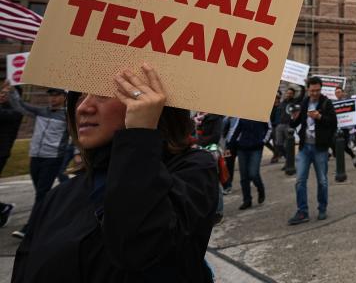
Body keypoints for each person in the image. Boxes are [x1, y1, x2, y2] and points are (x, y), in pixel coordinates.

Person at [12, 63, 219, 281]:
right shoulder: (60, 194)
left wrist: (140, 135)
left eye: (103, 95)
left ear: (153, 102)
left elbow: (140, 248)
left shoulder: (193, 169)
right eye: (79, 96)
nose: (83, 107)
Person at [7, 86, 68, 239]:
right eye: (51, 95)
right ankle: (53, 216)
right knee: (42, 194)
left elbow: (76, 134)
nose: (53, 98)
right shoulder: (41, 111)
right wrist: (12, 90)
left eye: (56, 95)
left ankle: (30, 228)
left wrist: (77, 153)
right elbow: (20, 105)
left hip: (53, 158)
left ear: (64, 97)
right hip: (35, 156)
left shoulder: (68, 116)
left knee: (41, 193)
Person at [288, 76, 337, 225]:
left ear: (321, 89)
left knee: (322, 181)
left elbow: (333, 123)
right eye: (312, 90)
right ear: (308, 89)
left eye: (317, 90)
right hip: (304, 148)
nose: (315, 93)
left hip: (320, 148)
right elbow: (295, 122)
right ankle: (302, 211)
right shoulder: (303, 102)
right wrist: (294, 116)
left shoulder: (326, 103)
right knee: (300, 181)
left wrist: (319, 116)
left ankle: (322, 208)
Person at [231, 118, 270, 210]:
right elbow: (236, 130)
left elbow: (269, 129)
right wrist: (231, 144)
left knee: (253, 173)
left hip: (256, 148)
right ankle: (247, 200)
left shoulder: (262, 114)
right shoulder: (242, 115)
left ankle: (260, 189)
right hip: (242, 148)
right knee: (244, 176)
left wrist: (263, 141)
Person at [0, 84, 23, 227]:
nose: (2, 95)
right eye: (1, 92)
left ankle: (3, 208)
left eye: (6, 93)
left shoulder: (15, 111)